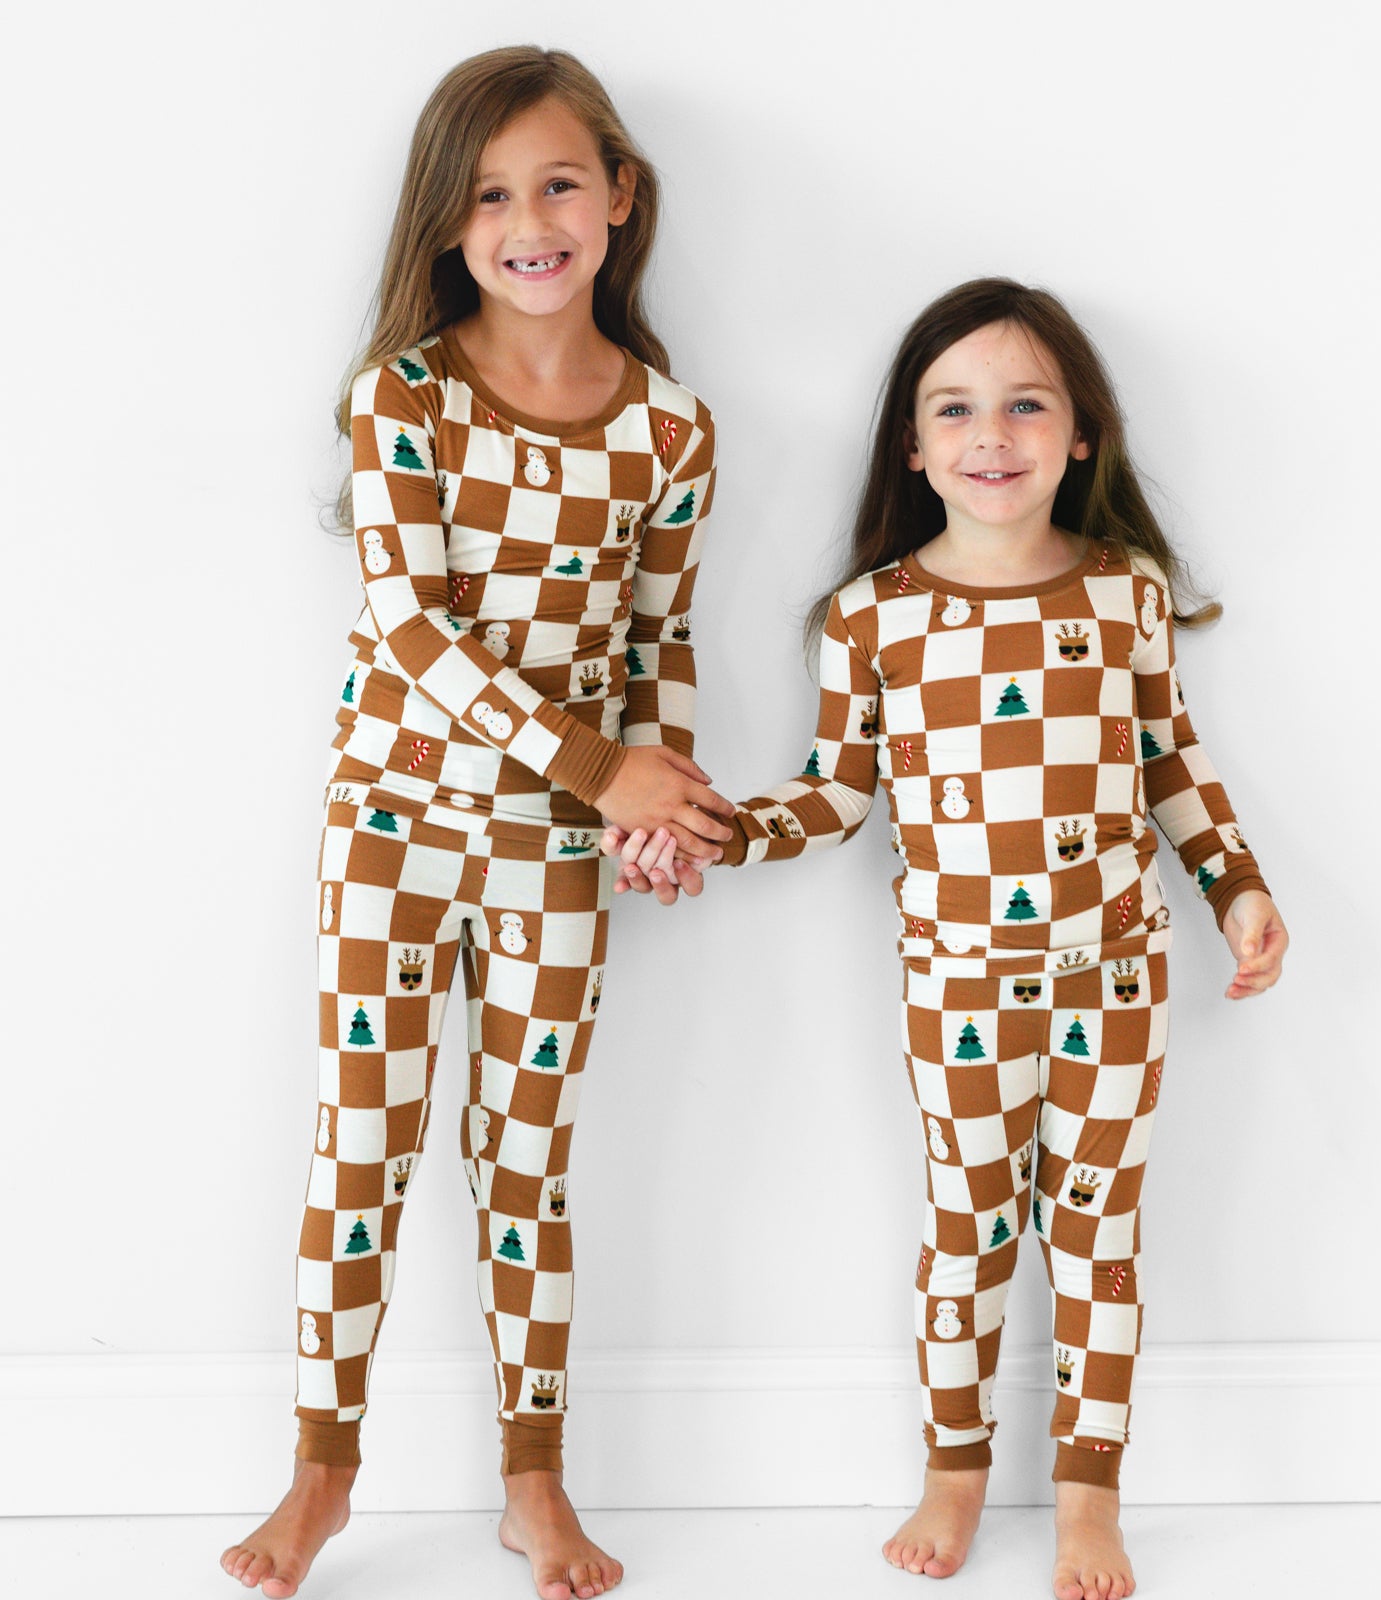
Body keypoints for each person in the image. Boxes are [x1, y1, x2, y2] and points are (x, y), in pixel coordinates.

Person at [606, 277, 1289, 1600]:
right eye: (955, 408)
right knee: (968, 1228)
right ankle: (955, 1473)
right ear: (912, 450)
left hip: (1119, 981)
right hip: (958, 989)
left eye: (1027, 403)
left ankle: (1090, 1496)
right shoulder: (874, 621)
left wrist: (1236, 888)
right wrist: (718, 827)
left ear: (1081, 433)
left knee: (1099, 1237)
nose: (994, 434)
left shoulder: (1125, 598)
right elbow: (839, 798)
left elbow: (1173, 768)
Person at [221, 45, 734, 1600]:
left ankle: (535, 1483)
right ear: (449, 224)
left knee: (530, 1168)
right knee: (361, 1150)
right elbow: (413, 634)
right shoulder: (404, 398)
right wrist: (608, 774)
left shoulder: (669, 432)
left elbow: (661, 640)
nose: (530, 219)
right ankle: (322, 1475)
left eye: (560, 181)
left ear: (619, 198)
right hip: (395, 825)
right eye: (493, 193)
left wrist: (663, 805)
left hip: (558, 859)